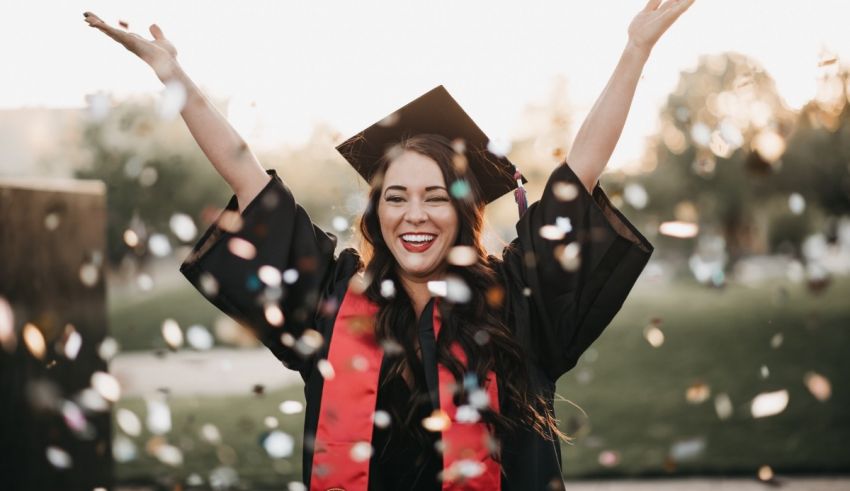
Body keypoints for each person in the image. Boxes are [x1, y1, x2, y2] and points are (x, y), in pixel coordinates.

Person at [85, 1, 693, 489]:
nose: (414, 215)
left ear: (462, 210)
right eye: (395, 196)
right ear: (376, 210)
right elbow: (248, 177)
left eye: (434, 197)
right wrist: (173, 75)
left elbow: (577, 175)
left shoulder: (518, 304)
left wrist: (635, 50)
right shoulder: (331, 300)